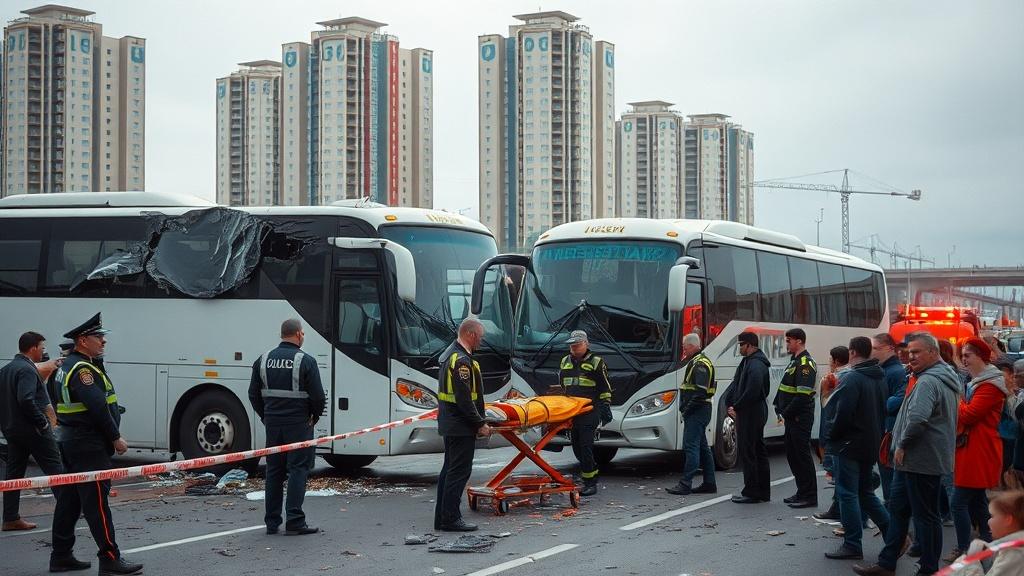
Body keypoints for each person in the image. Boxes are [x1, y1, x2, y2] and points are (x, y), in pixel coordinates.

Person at [853, 331, 961, 576]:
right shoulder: (932, 376)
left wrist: (901, 445)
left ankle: (928, 569)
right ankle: (887, 563)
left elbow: (918, 419)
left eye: (916, 352)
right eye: (909, 352)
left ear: (933, 353)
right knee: (899, 510)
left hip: (920, 459)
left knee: (926, 517)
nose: (910, 357)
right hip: (914, 460)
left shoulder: (928, 381)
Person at [56, 313, 143, 575]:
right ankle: (109, 557)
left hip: (72, 440)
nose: (103, 341)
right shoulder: (83, 370)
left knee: (70, 500)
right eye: (98, 337)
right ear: (83, 340)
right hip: (87, 444)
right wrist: (115, 437)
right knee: (97, 504)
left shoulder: (67, 365)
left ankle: (60, 555)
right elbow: (97, 407)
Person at [248, 318, 326, 536]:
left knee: (274, 471)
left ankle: (272, 523)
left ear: (282, 334)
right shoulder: (306, 361)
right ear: (299, 334)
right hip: (299, 424)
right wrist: (314, 416)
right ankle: (294, 520)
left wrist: (266, 416)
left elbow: (253, 394)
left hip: (273, 424)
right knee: (298, 469)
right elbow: (318, 396)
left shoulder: (263, 360)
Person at [824, 336, 891, 560]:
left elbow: (843, 413)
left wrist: (831, 435)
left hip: (849, 444)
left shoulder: (853, 378)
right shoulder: (879, 377)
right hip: (870, 442)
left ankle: (852, 544)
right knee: (864, 492)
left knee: (847, 493)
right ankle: (894, 535)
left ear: (852, 353)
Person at [945, 338, 1008, 562]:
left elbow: (968, 415)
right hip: (975, 446)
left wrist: (956, 400)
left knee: (959, 501)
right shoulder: (979, 382)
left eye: (967, 355)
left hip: (978, 448)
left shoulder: (990, 385)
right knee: (977, 498)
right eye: (962, 355)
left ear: (981, 357)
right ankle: (987, 538)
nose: (963, 359)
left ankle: (964, 549)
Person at [435, 318, 492, 531]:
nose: (481, 342)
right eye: (480, 337)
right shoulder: (461, 361)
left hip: (451, 423)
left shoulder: (450, 355)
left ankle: (442, 517)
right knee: (459, 472)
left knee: (449, 470)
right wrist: (479, 423)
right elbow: (464, 398)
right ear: (471, 335)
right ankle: (450, 518)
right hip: (460, 425)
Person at [558, 330, 613, 497]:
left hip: (589, 410)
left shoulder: (596, 362)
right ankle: (591, 472)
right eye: (572, 345)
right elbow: (562, 386)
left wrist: (605, 407)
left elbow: (605, 387)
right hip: (572, 411)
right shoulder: (564, 361)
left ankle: (590, 482)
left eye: (578, 344)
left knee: (585, 446)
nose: (574, 347)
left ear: (586, 344)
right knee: (576, 446)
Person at [667, 333, 717, 496]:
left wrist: (686, 410)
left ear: (692, 346)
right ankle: (709, 483)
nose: (684, 349)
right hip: (700, 410)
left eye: (685, 346)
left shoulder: (700, 364)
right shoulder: (698, 362)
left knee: (691, 447)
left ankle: (685, 483)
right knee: (702, 447)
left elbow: (699, 393)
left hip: (697, 411)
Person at [725, 331, 772, 504]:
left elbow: (752, 391)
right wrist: (730, 402)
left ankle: (752, 492)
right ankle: (762, 492)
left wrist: (736, 406)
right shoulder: (748, 362)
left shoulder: (756, 365)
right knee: (757, 450)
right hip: (751, 411)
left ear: (750, 345)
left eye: (741, 345)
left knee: (749, 451)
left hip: (752, 412)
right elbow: (736, 385)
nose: (739, 348)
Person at [774, 328, 818, 509]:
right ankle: (801, 492)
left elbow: (802, 395)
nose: (787, 344)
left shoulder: (806, 363)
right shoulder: (795, 362)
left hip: (800, 417)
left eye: (789, 341)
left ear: (799, 341)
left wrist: (786, 412)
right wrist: (778, 403)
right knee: (793, 456)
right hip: (793, 418)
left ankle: (809, 496)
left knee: (802, 457)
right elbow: (786, 386)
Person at [814, 345, 851, 523]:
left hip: (836, 434)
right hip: (847, 436)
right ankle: (837, 508)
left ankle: (843, 513)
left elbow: (826, 406)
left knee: (841, 478)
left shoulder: (832, 378)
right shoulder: (852, 376)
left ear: (835, 361)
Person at [950, 490, 1024, 576]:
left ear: (1008, 520)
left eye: (992, 516)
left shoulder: (1013, 554)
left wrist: (971, 560)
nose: (988, 521)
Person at [873, 333, 908, 506]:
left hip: (890, 432)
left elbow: (899, 400)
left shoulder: (895, 372)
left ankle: (895, 523)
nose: (872, 352)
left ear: (889, 348)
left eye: (876, 348)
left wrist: (877, 402)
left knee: (891, 480)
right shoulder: (886, 370)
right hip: (885, 430)